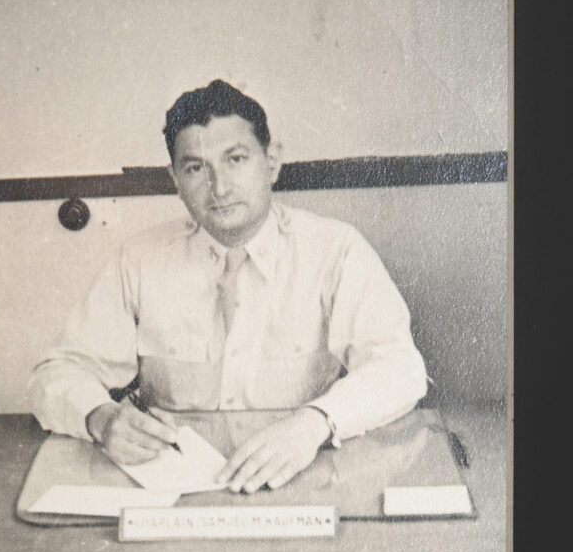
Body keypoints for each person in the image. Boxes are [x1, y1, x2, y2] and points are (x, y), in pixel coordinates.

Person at [28, 80, 427, 493]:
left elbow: (401, 369)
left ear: (271, 162)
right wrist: (99, 416)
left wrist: (316, 423)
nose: (218, 187)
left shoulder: (336, 250)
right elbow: (56, 373)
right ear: (175, 179)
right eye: (196, 167)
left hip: (301, 477)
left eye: (235, 159)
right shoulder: (139, 260)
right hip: (175, 490)